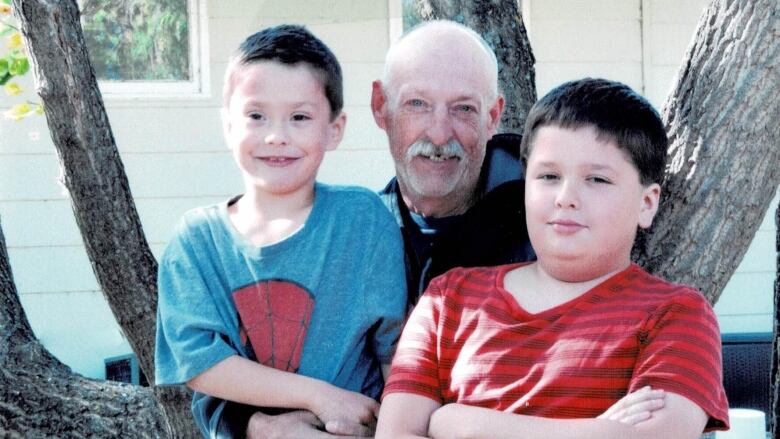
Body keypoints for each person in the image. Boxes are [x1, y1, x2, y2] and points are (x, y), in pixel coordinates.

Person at [376, 78, 730, 439]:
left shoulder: (676, 314)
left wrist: (459, 423)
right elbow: (394, 435)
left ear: (646, 203)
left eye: (596, 179)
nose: (566, 197)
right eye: (548, 176)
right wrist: (599, 431)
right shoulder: (448, 300)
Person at [154, 25, 407, 439]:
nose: (277, 136)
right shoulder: (197, 241)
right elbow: (200, 364)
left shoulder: (362, 220)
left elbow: (393, 351)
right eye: (256, 115)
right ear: (228, 125)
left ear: (335, 128)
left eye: (300, 117)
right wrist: (319, 397)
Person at [371, 20, 536, 304]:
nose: (438, 135)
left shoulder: (546, 231)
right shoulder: (356, 239)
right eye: (417, 104)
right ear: (381, 107)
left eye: (463, 109)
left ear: (492, 118)